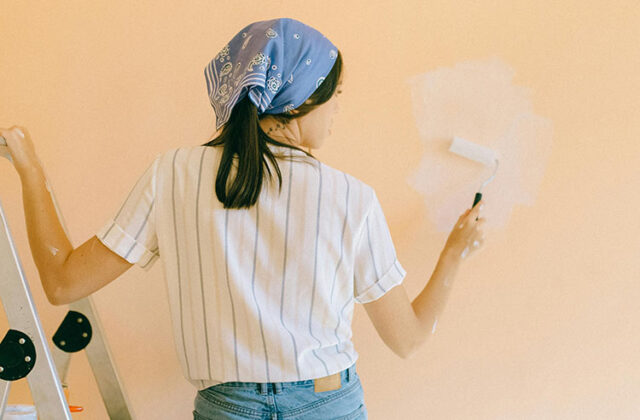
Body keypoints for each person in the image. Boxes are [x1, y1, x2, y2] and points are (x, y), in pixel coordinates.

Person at [0, 17, 485, 420]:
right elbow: (408, 338)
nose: (339, 108)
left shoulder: (172, 174)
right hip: (328, 404)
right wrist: (455, 252)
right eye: (335, 93)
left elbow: (62, 282)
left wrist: (31, 172)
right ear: (297, 101)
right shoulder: (350, 198)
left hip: (227, 409)